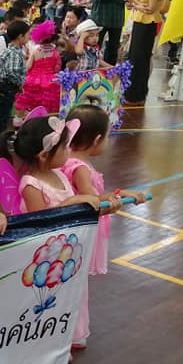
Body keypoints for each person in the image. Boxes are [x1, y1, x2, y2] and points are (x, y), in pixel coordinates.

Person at [0, 115, 101, 364]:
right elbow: (43, 222)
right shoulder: (30, 184)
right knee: (49, 304)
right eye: (64, 146)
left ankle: (68, 337)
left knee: (71, 296)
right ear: (44, 155)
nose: (69, 150)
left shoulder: (60, 176)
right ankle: (48, 353)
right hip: (46, 259)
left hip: (67, 251)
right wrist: (74, 203)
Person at [61, 105, 145, 349]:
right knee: (76, 282)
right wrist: (114, 202)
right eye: (107, 136)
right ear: (97, 139)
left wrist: (120, 193)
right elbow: (93, 201)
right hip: (81, 231)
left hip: (74, 229)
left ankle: (70, 332)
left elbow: (96, 196)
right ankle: (73, 334)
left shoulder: (68, 159)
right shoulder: (80, 168)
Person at [123, 0, 167, 105]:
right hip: (138, 21)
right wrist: (132, 2)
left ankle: (138, 94)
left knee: (141, 59)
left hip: (149, 24)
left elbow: (150, 9)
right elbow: (141, 3)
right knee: (133, 58)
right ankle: (130, 91)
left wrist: (134, 3)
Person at [0, 20, 30, 143]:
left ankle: (1, 136)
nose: (29, 37)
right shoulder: (15, 52)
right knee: (4, 113)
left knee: (4, 112)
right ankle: (1, 139)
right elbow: (12, 71)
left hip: (5, 85)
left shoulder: (9, 50)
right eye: (27, 34)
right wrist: (19, 83)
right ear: (20, 36)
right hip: (9, 86)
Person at [15, 20, 62, 115]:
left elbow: (28, 66)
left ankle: (23, 118)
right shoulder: (55, 53)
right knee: (48, 104)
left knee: (28, 102)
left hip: (33, 80)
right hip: (50, 81)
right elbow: (57, 68)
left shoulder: (36, 51)